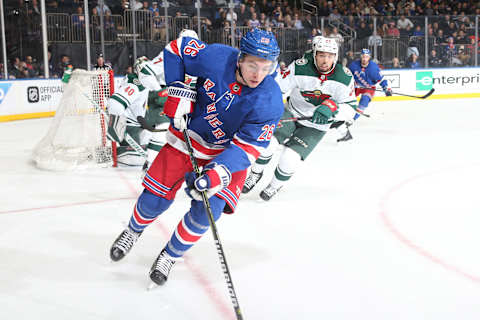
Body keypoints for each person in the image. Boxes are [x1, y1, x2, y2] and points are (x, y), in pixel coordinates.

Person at [108, 28, 283, 286]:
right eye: (252, 65)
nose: (258, 74)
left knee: (206, 213)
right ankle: (133, 231)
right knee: (153, 199)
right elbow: (177, 48)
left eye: (266, 67)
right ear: (240, 59)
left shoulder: (270, 101)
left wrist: (216, 174)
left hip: (225, 155)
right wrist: (177, 88)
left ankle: (169, 255)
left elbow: (247, 149)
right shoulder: (216, 57)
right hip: (187, 139)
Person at [242, 36, 358, 201]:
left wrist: (333, 110)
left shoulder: (344, 77)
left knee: (290, 158)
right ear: (315, 54)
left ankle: (274, 186)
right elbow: (278, 88)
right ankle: (255, 173)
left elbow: (350, 107)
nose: (326, 60)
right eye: (322, 55)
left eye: (330, 56)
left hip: (317, 125)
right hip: (292, 113)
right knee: (267, 143)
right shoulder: (299, 67)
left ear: (336, 56)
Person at [106, 56, 157, 166]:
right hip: (129, 124)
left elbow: (137, 105)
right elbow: (130, 106)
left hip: (132, 122)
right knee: (137, 157)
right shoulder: (136, 83)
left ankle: (115, 153)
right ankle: (113, 154)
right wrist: (142, 121)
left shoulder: (139, 81)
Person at [347, 48, 391, 136]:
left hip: (369, 87)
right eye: (363, 56)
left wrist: (386, 88)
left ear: (369, 57)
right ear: (360, 57)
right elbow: (347, 75)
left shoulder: (374, 68)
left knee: (365, 99)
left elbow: (382, 80)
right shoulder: (353, 65)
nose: (364, 58)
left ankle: (353, 119)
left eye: (366, 57)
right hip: (356, 86)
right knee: (346, 98)